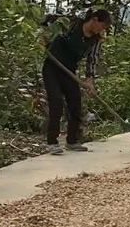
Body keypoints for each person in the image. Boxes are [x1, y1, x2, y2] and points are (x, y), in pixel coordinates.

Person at [41, 9, 111, 155]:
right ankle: (52, 142)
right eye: (102, 26)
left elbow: (92, 60)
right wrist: (44, 37)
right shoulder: (71, 24)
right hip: (52, 67)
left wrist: (89, 80)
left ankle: (71, 141)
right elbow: (47, 20)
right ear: (94, 19)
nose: (101, 30)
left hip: (69, 71)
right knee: (56, 102)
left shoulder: (95, 40)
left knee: (75, 104)